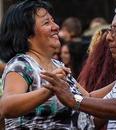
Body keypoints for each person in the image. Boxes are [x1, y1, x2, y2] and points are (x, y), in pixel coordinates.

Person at [0, 0, 81, 129]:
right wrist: (49, 90)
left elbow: (88, 98)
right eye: (46, 22)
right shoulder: (21, 65)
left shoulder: (58, 65)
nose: (56, 27)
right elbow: (5, 106)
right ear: (26, 34)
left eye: (53, 20)